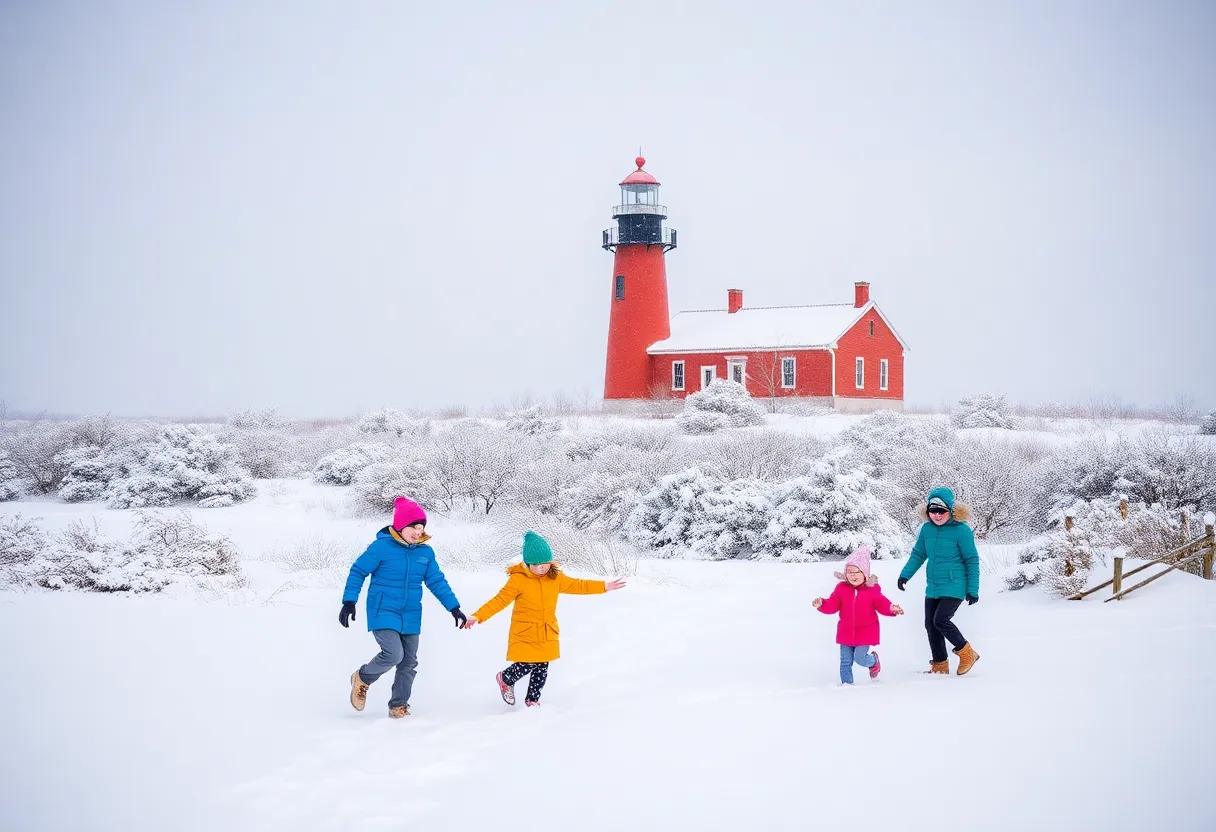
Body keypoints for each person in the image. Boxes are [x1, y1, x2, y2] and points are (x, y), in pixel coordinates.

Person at [462, 531, 625, 707]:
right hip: (525, 631)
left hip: (547, 630)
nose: (542, 569)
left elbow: (579, 585)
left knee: (542, 665)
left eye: (545, 565)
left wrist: (604, 586)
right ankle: (506, 678)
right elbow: (499, 601)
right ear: (528, 564)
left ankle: (532, 700)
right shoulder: (518, 580)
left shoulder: (555, 578)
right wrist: (478, 616)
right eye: (537, 565)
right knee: (528, 662)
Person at [339, 496, 467, 718]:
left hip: (410, 613)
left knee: (408, 661)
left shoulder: (425, 553)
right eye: (413, 526)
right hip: (382, 610)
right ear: (400, 525)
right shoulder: (381, 547)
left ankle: (398, 705)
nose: (418, 531)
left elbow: (436, 581)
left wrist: (453, 607)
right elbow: (358, 571)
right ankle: (362, 678)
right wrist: (349, 601)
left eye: (421, 527)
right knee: (393, 654)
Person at [897, 487, 981, 675]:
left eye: (941, 511)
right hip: (934, 585)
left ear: (950, 510)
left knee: (941, 620)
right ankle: (940, 664)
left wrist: (973, 589)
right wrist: (905, 575)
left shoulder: (962, 530)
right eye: (932, 511)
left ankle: (967, 653)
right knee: (930, 624)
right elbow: (919, 554)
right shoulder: (926, 529)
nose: (937, 515)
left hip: (956, 584)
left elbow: (971, 559)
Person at [813, 545, 904, 684]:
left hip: (866, 631)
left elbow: (882, 603)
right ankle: (847, 685)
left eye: (857, 572)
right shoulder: (841, 588)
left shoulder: (872, 590)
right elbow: (833, 604)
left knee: (860, 658)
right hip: (845, 631)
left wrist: (892, 608)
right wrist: (822, 604)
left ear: (865, 574)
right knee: (845, 662)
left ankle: (873, 661)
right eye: (849, 572)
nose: (853, 576)